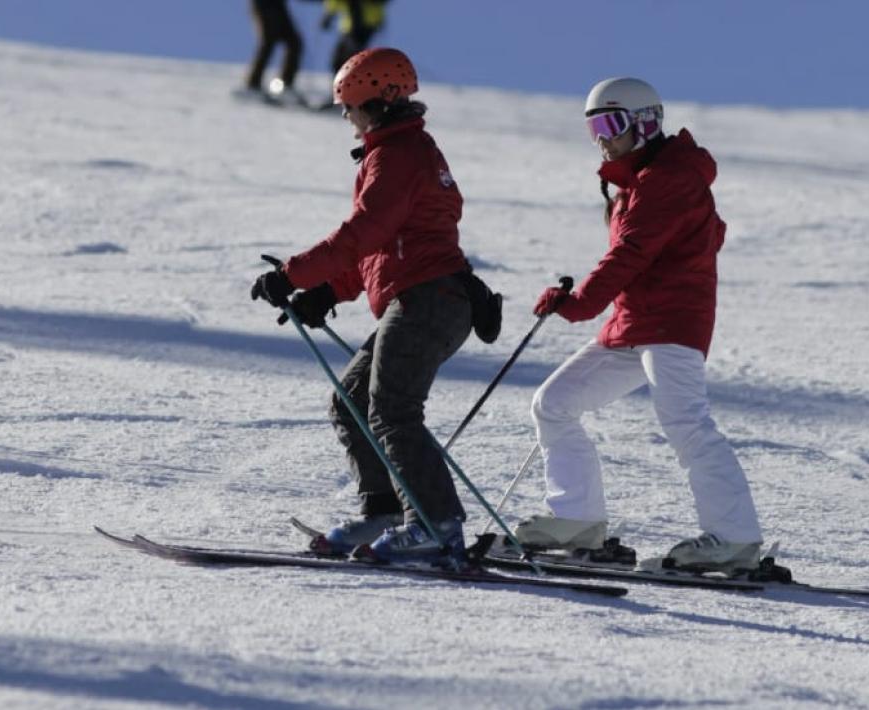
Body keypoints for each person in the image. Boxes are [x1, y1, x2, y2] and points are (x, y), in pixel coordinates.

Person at [251, 48, 497, 568]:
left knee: (392, 409)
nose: (345, 116)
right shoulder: (396, 151)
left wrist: (291, 274)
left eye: (349, 105)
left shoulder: (399, 155)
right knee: (353, 402)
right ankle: (386, 512)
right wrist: (328, 291)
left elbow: (363, 233)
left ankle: (434, 525)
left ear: (376, 102)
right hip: (422, 297)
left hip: (429, 299)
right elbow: (382, 248)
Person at [513, 77, 765, 574]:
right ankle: (576, 520)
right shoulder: (638, 182)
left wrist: (580, 303)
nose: (602, 138)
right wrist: (587, 305)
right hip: (634, 323)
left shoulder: (669, 178)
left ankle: (735, 540)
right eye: (593, 128)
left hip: (673, 320)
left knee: (686, 422)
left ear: (645, 122)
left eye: (610, 124)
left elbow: (632, 252)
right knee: (554, 403)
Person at [237, 0, 307, 105]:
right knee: (269, 39)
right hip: (263, 4)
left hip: (278, 5)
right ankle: (252, 84)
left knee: (294, 42)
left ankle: (285, 84)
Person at [319, 0, 390, 79]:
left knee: (348, 58)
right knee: (342, 60)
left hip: (365, 24)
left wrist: (329, 14)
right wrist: (329, 14)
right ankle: (344, 84)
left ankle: (352, 84)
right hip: (359, 25)